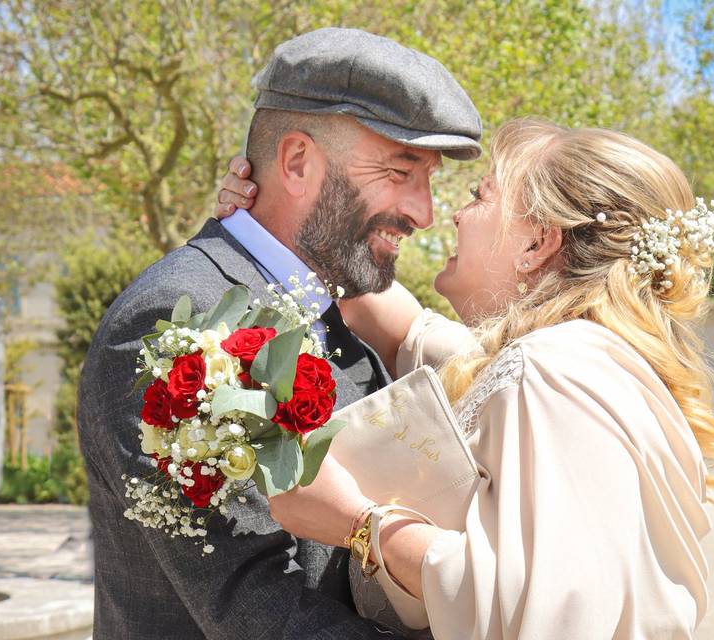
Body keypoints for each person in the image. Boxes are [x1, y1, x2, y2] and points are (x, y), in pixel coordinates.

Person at [216, 118, 714, 639]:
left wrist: (360, 523)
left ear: (538, 242)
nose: (452, 216)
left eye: (479, 195)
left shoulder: (553, 372)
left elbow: (554, 613)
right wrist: (273, 217)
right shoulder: (572, 362)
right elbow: (401, 326)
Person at [77, 28, 481, 639]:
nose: (424, 213)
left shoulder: (336, 311)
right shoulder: (170, 325)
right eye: (401, 172)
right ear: (296, 162)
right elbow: (255, 606)